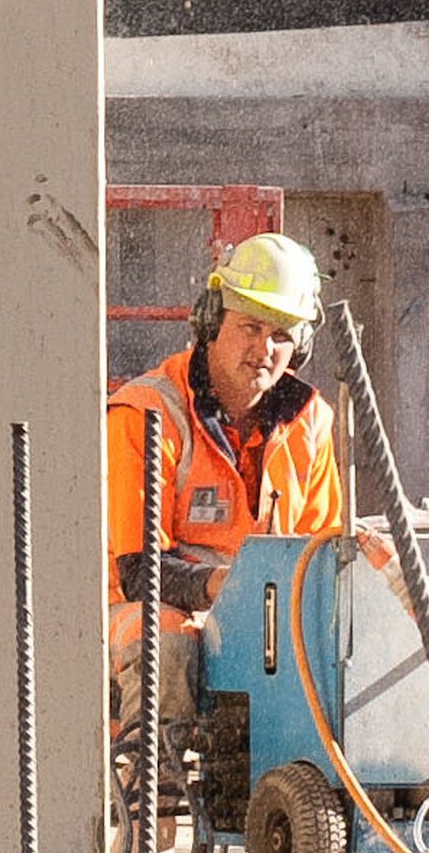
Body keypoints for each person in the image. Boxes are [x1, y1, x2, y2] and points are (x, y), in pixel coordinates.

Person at [106, 235, 346, 784]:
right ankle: (153, 805)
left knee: (341, 648)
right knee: (164, 642)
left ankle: (334, 815)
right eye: (249, 327)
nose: (264, 349)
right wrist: (226, 587)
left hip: (257, 614)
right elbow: (137, 570)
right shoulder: (146, 411)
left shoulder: (311, 421)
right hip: (148, 607)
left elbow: (320, 551)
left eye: (282, 335)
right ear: (212, 323)